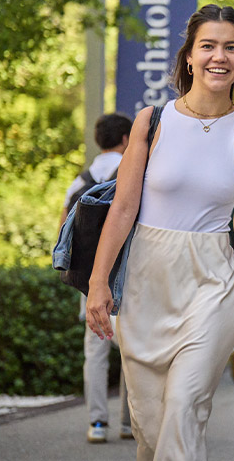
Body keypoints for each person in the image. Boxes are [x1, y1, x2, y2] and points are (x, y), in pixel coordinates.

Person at [86, 4, 234, 461]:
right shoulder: (152, 122)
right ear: (188, 56)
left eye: (231, 47)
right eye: (208, 46)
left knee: (184, 405)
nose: (219, 56)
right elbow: (124, 206)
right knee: (150, 422)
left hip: (213, 283)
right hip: (147, 283)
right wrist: (98, 281)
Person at [61, 113, 134, 443]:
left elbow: (64, 229)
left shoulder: (79, 181)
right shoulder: (134, 174)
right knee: (133, 349)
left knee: (96, 348)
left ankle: (97, 424)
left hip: (90, 278)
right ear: (125, 140)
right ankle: (130, 422)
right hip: (128, 274)